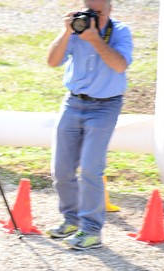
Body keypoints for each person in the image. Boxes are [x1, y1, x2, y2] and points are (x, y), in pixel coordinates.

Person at [45, 0, 133, 250]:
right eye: (90, 12)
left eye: (100, 13)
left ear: (110, 10)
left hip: (105, 106)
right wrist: (65, 31)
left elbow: (119, 65)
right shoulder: (76, 29)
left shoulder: (121, 32)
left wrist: (95, 39)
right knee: (61, 169)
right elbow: (52, 61)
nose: (94, 18)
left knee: (91, 170)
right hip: (73, 103)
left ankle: (92, 230)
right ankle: (71, 221)